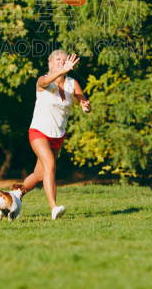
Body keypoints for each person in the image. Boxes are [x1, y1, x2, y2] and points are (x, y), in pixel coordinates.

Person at [23, 49, 91, 220]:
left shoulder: (72, 83)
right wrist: (63, 70)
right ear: (50, 64)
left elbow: (84, 102)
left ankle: (13, 194)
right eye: (58, 59)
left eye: (64, 59)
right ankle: (54, 207)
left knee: (39, 175)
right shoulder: (42, 81)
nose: (62, 61)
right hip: (38, 131)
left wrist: (86, 106)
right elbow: (46, 80)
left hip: (57, 135)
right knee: (51, 165)